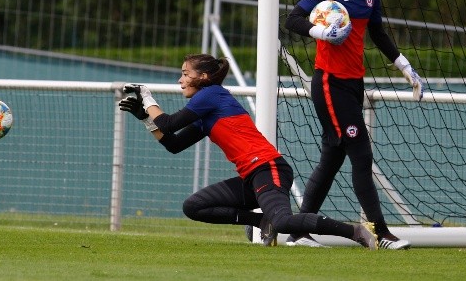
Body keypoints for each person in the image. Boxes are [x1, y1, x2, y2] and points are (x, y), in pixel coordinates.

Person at [118, 53, 377, 249]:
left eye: (185, 73)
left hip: (269, 168)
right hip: (252, 177)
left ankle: (354, 231)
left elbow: (168, 123)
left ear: (204, 78)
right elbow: (173, 143)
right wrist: (144, 117)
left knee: (285, 221)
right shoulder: (206, 108)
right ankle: (260, 222)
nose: (180, 79)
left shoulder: (211, 95)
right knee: (194, 206)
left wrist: (147, 96)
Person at [283, 0, 423, 250]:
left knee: (332, 158)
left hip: (353, 84)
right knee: (361, 153)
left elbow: (377, 32)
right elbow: (292, 20)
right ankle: (380, 235)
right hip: (329, 84)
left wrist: (405, 66)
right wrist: (319, 32)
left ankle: (298, 231)